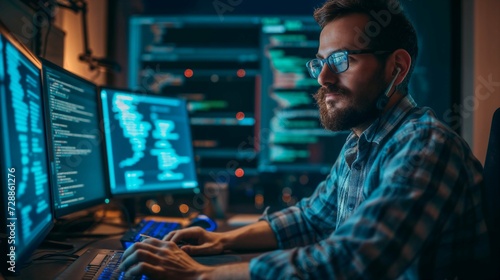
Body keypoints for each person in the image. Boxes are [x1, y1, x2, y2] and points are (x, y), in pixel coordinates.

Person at [118, 0, 492, 279]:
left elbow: (354, 262)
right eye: (320, 62)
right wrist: (222, 242)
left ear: (397, 67)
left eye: (343, 60)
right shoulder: (363, 142)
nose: (323, 78)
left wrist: (200, 274)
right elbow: (312, 218)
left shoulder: (424, 146)